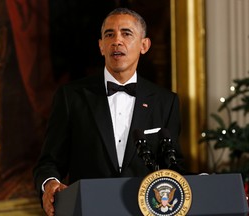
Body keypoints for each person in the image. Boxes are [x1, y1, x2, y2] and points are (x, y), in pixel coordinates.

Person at [33, 7, 184, 216]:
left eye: (126, 33)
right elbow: (48, 163)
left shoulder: (166, 102)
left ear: (144, 45)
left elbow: (172, 167)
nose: (117, 41)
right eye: (109, 34)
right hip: (87, 210)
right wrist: (49, 183)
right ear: (101, 46)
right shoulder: (71, 97)